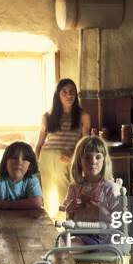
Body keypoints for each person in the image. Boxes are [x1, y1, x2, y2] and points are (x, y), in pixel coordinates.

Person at [35, 78, 90, 215]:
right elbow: (39, 145)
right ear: (57, 95)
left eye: (72, 92)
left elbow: (84, 142)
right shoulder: (47, 116)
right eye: (64, 92)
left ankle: (66, 227)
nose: (69, 95)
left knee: (67, 194)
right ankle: (53, 229)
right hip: (46, 158)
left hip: (67, 159)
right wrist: (36, 163)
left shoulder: (83, 116)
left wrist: (73, 156)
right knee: (48, 196)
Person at [63, 136, 121, 245]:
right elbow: (67, 211)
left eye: (98, 157)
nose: (93, 162)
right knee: (63, 243)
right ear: (79, 161)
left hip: (102, 236)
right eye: (87, 158)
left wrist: (100, 211)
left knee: (68, 247)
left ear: (104, 161)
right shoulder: (74, 187)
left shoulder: (110, 188)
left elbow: (118, 219)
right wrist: (71, 206)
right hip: (78, 233)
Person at [0, 141, 43, 209]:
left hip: (28, 219)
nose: (19, 161)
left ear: (30, 166)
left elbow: (37, 202)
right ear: (5, 162)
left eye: (24, 159)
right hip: (1, 219)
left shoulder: (31, 181)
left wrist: (6, 205)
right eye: (14, 157)